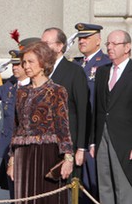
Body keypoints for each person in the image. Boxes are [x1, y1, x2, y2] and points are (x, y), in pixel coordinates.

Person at [7, 41, 74, 203]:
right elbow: (17, 127)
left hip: (48, 153)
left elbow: (62, 126)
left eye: (30, 62)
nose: (26, 66)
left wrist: (68, 158)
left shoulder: (57, 91)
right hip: (23, 154)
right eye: (24, 62)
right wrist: (12, 158)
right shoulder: (21, 92)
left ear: (43, 63)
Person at [0, 49, 30, 199]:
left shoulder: (35, 86)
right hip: (9, 146)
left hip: (28, 146)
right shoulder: (9, 85)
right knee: (13, 190)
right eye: (13, 65)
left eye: (18, 64)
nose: (15, 67)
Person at [71, 23, 111, 203]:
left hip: (95, 133)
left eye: (86, 37)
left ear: (98, 40)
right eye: (80, 38)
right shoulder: (75, 64)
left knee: (94, 184)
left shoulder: (105, 63)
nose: (82, 41)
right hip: (77, 131)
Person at [41, 27, 89, 176]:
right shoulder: (39, 71)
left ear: (60, 46)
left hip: (67, 144)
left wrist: (81, 147)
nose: (42, 48)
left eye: (47, 43)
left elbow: (83, 111)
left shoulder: (74, 71)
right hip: (43, 143)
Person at [92, 29, 132, 203]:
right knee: (104, 184)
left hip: (124, 139)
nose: (110, 47)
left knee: (123, 186)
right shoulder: (102, 72)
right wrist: (93, 140)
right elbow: (97, 108)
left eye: (115, 44)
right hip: (102, 136)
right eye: (108, 43)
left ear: (127, 47)